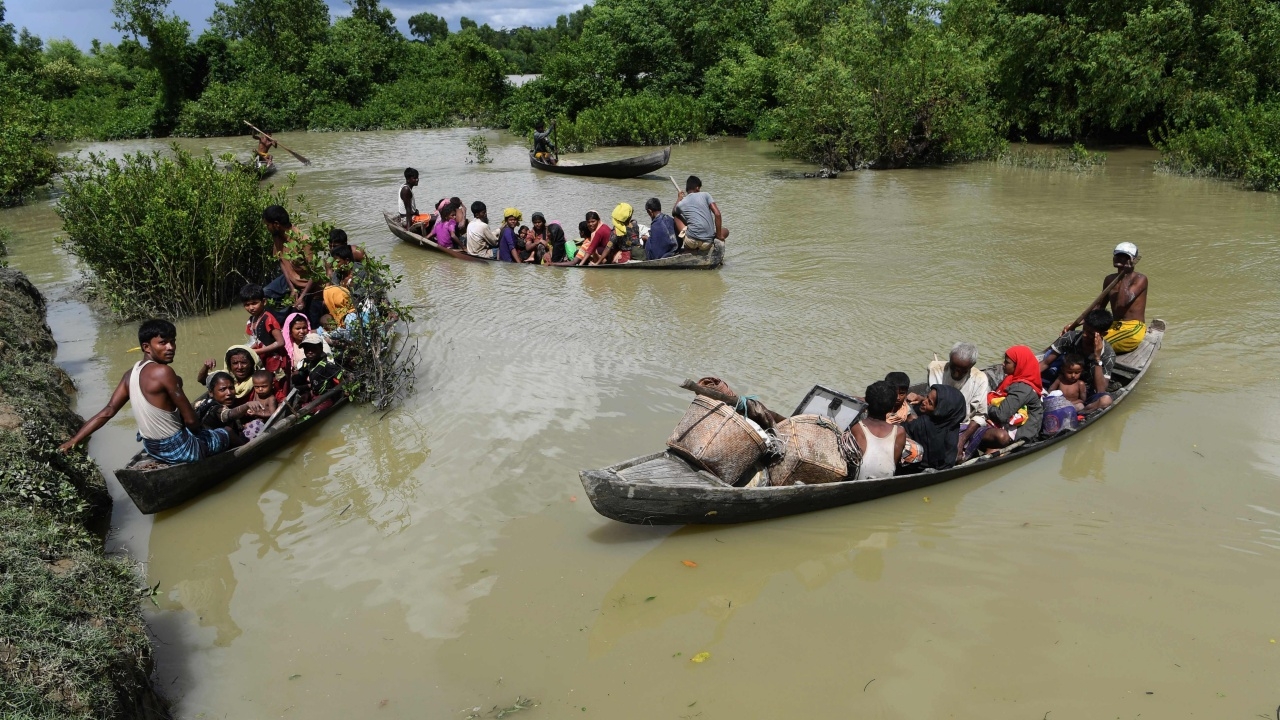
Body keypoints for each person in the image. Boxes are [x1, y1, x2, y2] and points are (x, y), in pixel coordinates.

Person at [57, 320, 234, 463]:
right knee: (228, 432)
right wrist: (201, 431)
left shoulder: (130, 375)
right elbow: (192, 422)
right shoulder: (163, 372)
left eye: (172, 341)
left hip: (152, 447)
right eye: (163, 343)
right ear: (146, 347)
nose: (170, 347)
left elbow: (108, 411)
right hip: (179, 449)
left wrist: (74, 440)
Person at [961, 345, 1044, 454]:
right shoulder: (1019, 381)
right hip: (1016, 427)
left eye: (1007, 362)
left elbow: (1001, 415)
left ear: (1019, 365)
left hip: (1021, 435)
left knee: (976, 425)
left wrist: (984, 407)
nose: (1003, 364)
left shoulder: (1022, 388)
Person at [1042, 308, 1115, 412]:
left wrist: (1097, 358)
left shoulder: (1108, 354)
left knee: (1105, 401)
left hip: (1086, 395)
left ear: (1103, 334)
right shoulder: (1070, 338)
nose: (1085, 335)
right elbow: (1045, 362)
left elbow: (1101, 390)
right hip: (1062, 384)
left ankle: (1081, 412)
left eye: (1090, 333)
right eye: (1084, 330)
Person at [262, 205, 321, 325]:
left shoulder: (303, 241)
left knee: (304, 318)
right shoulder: (277, 236)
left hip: (309, 285)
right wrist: (292, 288)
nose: (267, 228)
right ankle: (277, 327)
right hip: (291, 280)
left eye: (268, 225)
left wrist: (302, 297)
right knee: (265, 293)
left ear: (276, 224)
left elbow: (315, 273)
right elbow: (282, 262)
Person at [840, 380, 906, 481]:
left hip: (858, 484)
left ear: (866, 403)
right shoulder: (900, 433)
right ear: (892, 407)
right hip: (884, 484)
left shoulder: (856, 428)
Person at [904, 384, 968, 470]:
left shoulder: (922, 424)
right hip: (943, 467)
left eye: (929, 402)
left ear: (940, 410)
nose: (924, 401)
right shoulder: (952, 425)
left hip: (917, 468)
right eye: (926, 397)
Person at [1102, 242, 1148, 352]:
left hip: (1133, 328)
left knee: (1098, 345)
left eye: (1125, 257)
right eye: (1118, 255)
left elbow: (1122, 303)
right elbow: (1099, 306)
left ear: (1133, 260)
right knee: (1081, 339)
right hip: (1114, 325)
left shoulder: (1140, 279)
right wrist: (1083, 323)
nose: (1120, 259)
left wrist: (1125, 274)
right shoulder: (1109, 279)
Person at [924, 342, 989, 417]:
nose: (956, 374)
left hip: (963, 425)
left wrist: (968, 429)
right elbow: (930, 400)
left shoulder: (980, 379)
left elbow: (980, 415)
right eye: (953, 367)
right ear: (950, 360)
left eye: (962, 371)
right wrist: (922, 398)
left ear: (971, 366)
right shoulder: (934, 370)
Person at [193, 372, 259, 446]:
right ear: (211, 393)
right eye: (222, 389)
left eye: (231, 388)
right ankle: (244, 448)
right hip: (213, 444)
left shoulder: (204, 403)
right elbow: (229, 414)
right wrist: (246, 405)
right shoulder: (214, 408)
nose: (229, 393)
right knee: (257, 424)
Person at [240, 283, 289, 379]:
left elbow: (280, 342)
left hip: (277, 360)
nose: (251, 308)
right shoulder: (251, 320)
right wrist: (247, 350)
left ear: (264, 302)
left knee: (279, 387)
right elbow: (256, 340)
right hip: (265, 358)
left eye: (254, 303)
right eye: (247, 305)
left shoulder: (268, 319)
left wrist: (257, 351)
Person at [673, 175, 728, 253]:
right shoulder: (706, 195)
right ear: (697, 188)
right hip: (707, 244)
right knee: (726, 231)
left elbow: (674, 212)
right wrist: (719, 235)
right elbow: (717, 214)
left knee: (676, 216)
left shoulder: (682, 203)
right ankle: (709, 244)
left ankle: (689, 249)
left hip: (691, 242)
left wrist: (679, 198)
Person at [293, 333, 342, 406]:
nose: (309, 351)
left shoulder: (327, 365)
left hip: (326, 398)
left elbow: (341, 377)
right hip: (315, 395)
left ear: (321, 348)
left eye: (313, 348)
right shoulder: (309, 364)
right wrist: (308, 393)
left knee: (310, 411)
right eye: (307, 348)